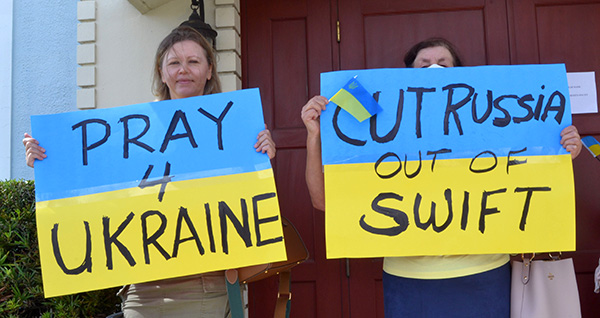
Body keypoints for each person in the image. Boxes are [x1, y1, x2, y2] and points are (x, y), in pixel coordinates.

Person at [301, 37, 582, 317]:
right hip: (407, 280)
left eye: (443, 64)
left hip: (484, 275)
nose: (434, 70)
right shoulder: (379, 132)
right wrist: (314, 137)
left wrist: (559, 153)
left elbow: (529, 179)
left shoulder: (493, 127)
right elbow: (323, 200)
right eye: (423, 66)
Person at [23, 26, 276, 318]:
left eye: (193, 61)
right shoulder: (128, 133)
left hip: (205, 287)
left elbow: (247, 208)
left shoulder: (234, 129)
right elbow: (92, 192)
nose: (184, 70)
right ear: (161, 70)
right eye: (174, 62)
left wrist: (261, 160)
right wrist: (49, 162)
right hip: (142, 289)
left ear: (209, 70)